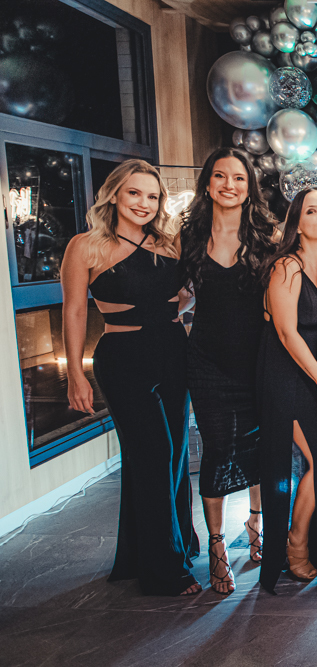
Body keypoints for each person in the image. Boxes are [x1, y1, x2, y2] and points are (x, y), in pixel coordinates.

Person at [62, 159, 200, 596]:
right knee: (154, 454)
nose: (144, 203)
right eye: (134, 193)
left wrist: (175, 308)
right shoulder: (85, 246)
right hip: (122, 358)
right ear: (115, 194)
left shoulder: (170, 242)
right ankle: (163, 571)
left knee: (174, 456)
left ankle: (166, 547)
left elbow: (185, 296)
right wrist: (76, 375)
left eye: (152, 196)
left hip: (174, 353)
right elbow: (74, 311)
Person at [179, 148, 277, 595]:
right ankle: (217, 545)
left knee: (259, 446)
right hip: (207, 360)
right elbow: (177, 292)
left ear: (249, 187)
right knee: (218, 448)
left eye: (239, 178)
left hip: (258, 358)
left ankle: (257, 524)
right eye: (220, 176)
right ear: (207, 183)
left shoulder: (267, 237)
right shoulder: (189, 237)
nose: (229, 185)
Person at [257, 187, 317, 593]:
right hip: (285, 374)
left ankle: (301, 543)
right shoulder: (287, 267)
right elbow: (286, 333)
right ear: (296, 222)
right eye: (312, 211)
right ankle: (294, 547)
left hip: (310, 374)